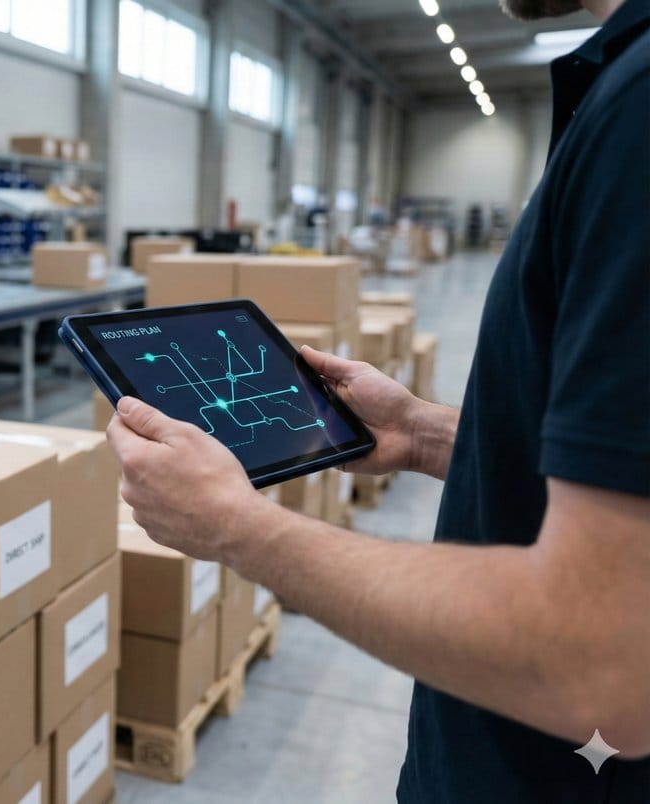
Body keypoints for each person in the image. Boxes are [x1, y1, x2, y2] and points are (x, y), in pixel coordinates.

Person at [106, 0, 650, 801]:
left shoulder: (638, 109)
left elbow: (600, 662)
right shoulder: (620, 87)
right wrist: (426, 434)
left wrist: (235, 527)